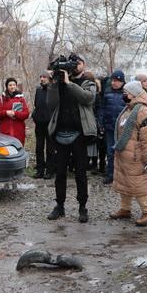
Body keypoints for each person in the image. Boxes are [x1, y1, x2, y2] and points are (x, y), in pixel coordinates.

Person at [46, 54, 97, 223]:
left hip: (79, 134)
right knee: (60, 173)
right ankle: (59, 206)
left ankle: (82, 207)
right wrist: (54, 83)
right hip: (60, 133)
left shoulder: (87, 82)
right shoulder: (59, 83)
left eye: (78, 63)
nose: (75, 66)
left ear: (84, 65)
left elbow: (88, 98)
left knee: (80, 173)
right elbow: (51, 104)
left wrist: (69, 83)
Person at [109, 81, 147, 226]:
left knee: (138, 184)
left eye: (126, 93)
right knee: (124, 182)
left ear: (134, 94)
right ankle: (125, 209)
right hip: (124, 154)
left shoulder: (142, 111)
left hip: (136, 156)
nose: (124, 95)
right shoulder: (129, 108)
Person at [100, 70, 127, 185]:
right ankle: (110, 175)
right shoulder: (107, 91)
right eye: (112, 80)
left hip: (123, 129)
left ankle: (122, 176)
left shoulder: (127, 93)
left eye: (116, 81)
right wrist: (101, 122)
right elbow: (102, 108)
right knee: (110, 152)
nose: (113, 83)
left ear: (121, 81)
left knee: (123, 153)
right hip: (109, 127)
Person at [32, 72, 56, 179]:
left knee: (50, 148)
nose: (42, 79)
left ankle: (50, 171)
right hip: (39, 123)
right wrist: (35, 116)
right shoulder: (38, 90)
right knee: (39, 147)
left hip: (50, 124)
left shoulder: (54, 90)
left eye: (44, 77)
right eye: (41, 77)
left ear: (49, 79)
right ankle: (40, 170)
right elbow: (36, 105)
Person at [0, 77, 30, 145]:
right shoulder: (1, 99)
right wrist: (6, 113)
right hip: (5, 131)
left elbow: (26, 114)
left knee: (17, 148)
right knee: (5, 149)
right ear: (7, 86)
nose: (12, 87)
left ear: (16, 86)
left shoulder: (21, 99)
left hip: (19, 131)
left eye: (14, 85)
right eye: (10, 85)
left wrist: (15, 113)